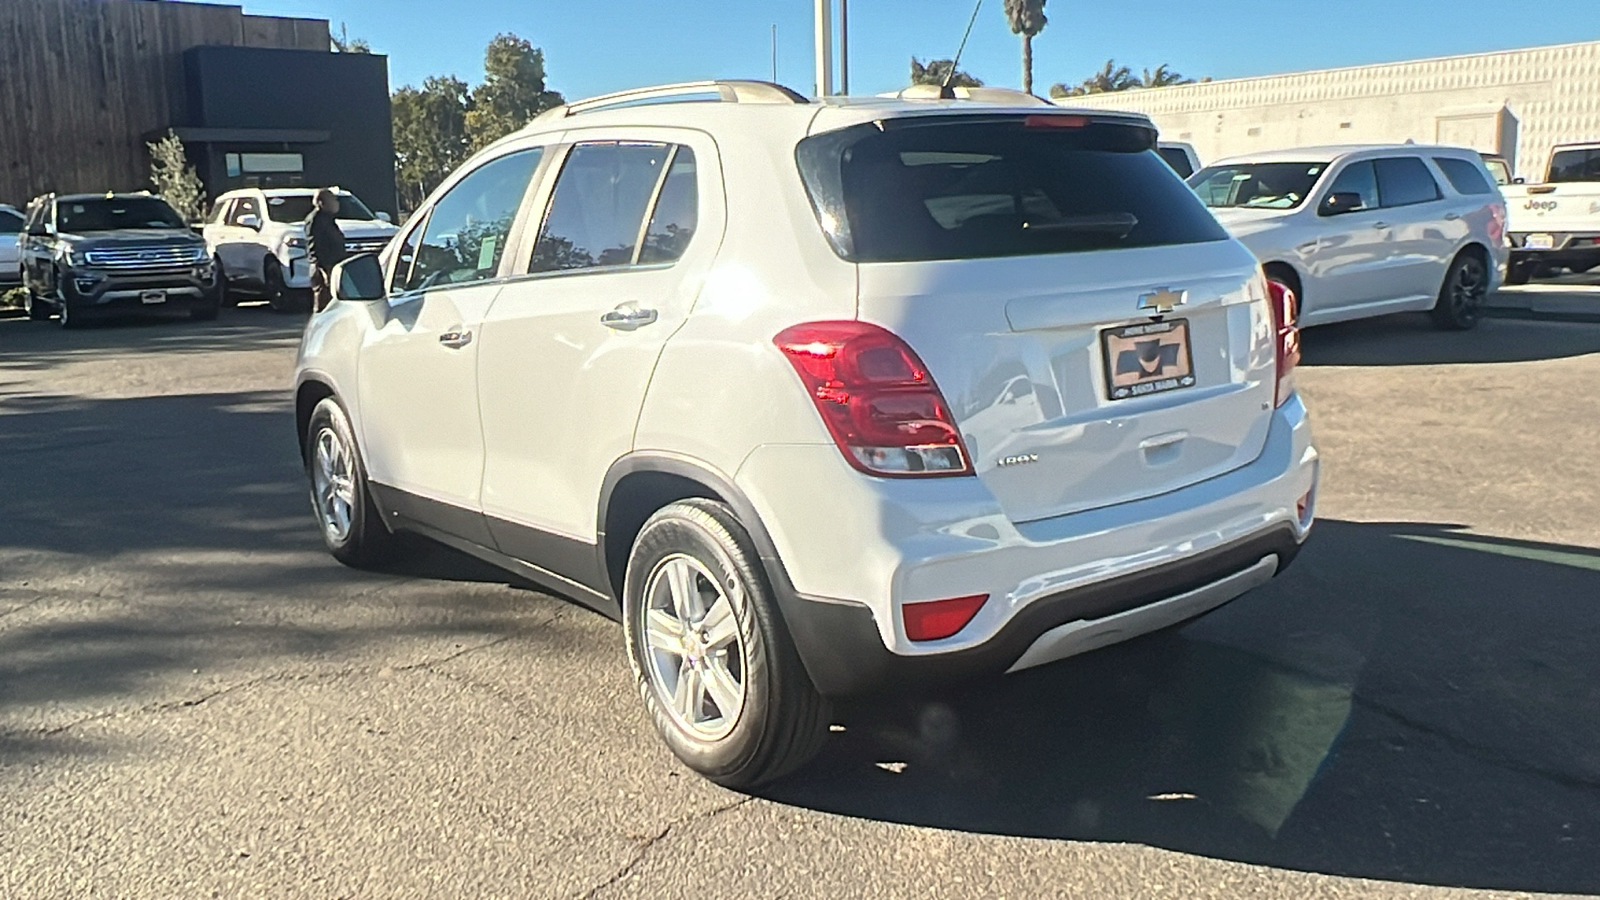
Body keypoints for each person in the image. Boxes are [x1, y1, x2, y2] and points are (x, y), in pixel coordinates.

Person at [305, 188, 347, 313]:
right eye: (333, 200)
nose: (337, 203)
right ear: (322, 203)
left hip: (333, 266)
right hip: (324, 268)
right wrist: (322, 269)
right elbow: (314, 246)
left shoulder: (328, 219)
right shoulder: (316, 220)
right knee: (323, 306)